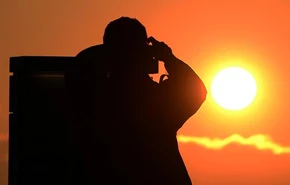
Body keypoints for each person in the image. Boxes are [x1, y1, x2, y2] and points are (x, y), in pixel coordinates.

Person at [66, 17, 207, 185]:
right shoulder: (158, 103)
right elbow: (196, 91)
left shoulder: (95, 98)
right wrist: (168, 58)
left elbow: (77, 71)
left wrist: (104, 53)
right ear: (145, 55)